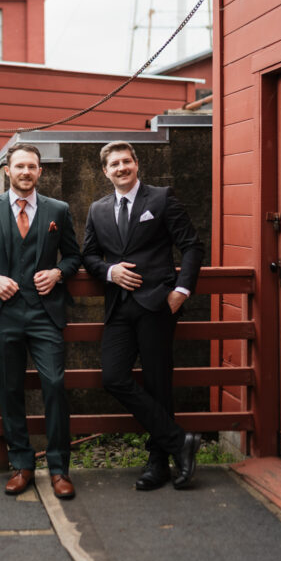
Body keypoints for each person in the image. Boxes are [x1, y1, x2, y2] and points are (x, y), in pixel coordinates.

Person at [82, 141, 205, 491]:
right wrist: (110, 272)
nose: (121, 168)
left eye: (126, 161)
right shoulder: (97, 209)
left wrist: (182, 290)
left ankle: (158, 462)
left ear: (136, 164)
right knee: (113, 377)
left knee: (158, 383)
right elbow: (88, 256)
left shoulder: (162, 198)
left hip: (157, 305)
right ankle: (180, 441)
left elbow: (192, 245)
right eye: (114, 164)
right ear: (105, 171)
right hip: (118, 307)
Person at [0, 143, 81, 499]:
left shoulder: (58, 210)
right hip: (5, 313)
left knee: (54, 385)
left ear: (40, 171)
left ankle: (59, 468)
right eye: (20, 166)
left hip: (46, 313)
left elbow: (74, 256)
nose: (26, 172)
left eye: (32, 166)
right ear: (8, 171)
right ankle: (22, 464)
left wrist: (58, 273)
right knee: (10, 388)